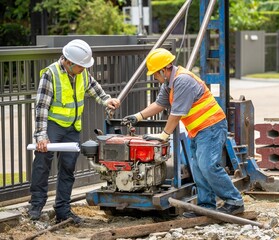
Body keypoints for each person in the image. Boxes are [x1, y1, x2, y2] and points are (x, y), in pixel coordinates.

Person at [125, 48, 244, 218]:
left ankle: (234, 201)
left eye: (155, 74)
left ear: (163, 70)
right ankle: (206, 206)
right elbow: (160, 104)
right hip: (198, 130)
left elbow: (176, 113)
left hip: (211, 126)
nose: (154, 78)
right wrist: (138, 116)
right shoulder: (169, 83)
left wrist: (164, 134)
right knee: (198, 169)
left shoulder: (182, 81)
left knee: (208, 166)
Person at [28, 39, 120, 223]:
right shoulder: (51, 74)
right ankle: (35, 208)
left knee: (68, 170)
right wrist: (41, 135)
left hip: (72, 128)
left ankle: (63, 210)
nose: (84, 70)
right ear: (68, 62)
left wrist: (106, 100)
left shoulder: (82, 73)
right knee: (42, 164)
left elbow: (93, 86)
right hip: (52, 127)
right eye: (81, 66)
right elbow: (41, 106)